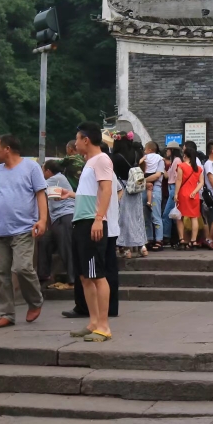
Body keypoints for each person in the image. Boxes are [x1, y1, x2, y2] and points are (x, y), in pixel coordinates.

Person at [0, 134, 47, 329]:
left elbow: (41, 194)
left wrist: (42, 220)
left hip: (24, 228)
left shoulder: (31, 167)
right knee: (1, 273)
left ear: (7, 149)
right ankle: (6, 314)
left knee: (22, 268)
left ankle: (35, 301)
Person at [70, 122, 117, 342]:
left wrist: (99, 219)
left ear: (86, 140)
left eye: (77, 139)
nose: (75, 143)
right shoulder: (90, 162)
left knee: (97, 275)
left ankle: (104, 326)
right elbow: (91, 193)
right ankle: (94, 322)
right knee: (85, 276)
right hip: (81, 222)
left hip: (92, 222)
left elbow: (107, 190)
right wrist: (70, 195)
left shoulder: (102, 159)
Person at [39, 160, 75, 289]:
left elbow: (35, 187)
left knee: (66, 249)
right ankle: (44, 275)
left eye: (43, 170)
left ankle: (72, 281)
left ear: (48, 171)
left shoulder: (56, 178)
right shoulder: (56, 180)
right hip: (57, 219)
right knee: (44, 241)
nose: (42, 174)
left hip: (65, 216)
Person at [112, 150, 148, 259]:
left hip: (123, 188)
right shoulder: (135, 154)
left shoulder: (116, 156)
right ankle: (142, 246)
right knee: (138, 218)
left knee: (124, 218)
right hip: (136, 188)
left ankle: (126, 249)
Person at [174, 145, 204, 249]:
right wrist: (195, 192)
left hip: (183, 194)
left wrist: (176, 193)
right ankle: (193, 241)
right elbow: (201, 182)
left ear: (185, 155)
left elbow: (179, 180)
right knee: (194, 217)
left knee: (180, 217)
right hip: (194, 195)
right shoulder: (198, 168)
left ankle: (182, 239)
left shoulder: (181, 166)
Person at [141, 141, 166, 250]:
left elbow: (157, 175)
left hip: (155, 189)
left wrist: (143, 180)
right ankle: (149, 238)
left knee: (155, 216)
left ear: (150, 149)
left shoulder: (160, 160)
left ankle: (159, 240)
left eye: (145, 149)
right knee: (146, 216)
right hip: (144, 188)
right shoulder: (146, 159)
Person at [162, 143, 182, 245]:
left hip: (174, 188)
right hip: (172, 188)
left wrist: (176, 193)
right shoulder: (174, 161)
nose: (167, 151)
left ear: (172, 150)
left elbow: (178, 178)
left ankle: (166, 236)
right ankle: (174, 238)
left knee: (167, 214)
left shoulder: (177, 161)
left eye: (168, 149)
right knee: (173, 215)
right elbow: (167, 176)